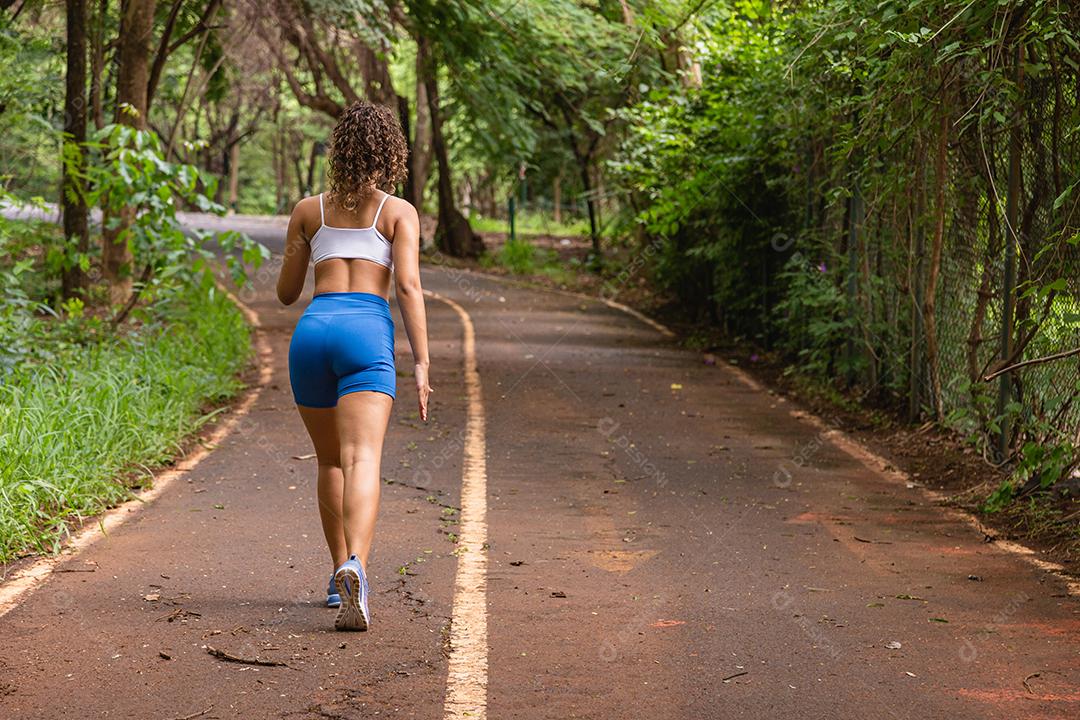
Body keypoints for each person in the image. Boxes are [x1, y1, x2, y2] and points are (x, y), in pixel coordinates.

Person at [276, 101, 432, 631]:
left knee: (329, 463)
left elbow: (285, 293)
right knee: (362, 458)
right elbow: (408, 287)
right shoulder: (397, 212)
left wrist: (302, 244)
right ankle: (357, 567)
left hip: (313, 333)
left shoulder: (307, 210)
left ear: (338, 150)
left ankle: (335, 572)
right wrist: (422, 364)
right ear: (389, 152)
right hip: (366, 331)